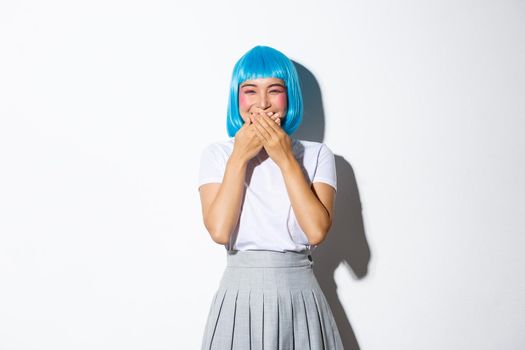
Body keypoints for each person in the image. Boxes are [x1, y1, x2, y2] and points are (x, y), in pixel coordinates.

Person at [198, 45, 343, 349]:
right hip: (239, 294)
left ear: (289, 96)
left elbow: (316, 231)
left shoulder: (317, 155)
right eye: (250, 91)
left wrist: (285, 158)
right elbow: (219, 230)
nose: (262, 103)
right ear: (236, 98)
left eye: (274, 90)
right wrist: (239, 157)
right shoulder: (217, 154)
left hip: (299, 293)